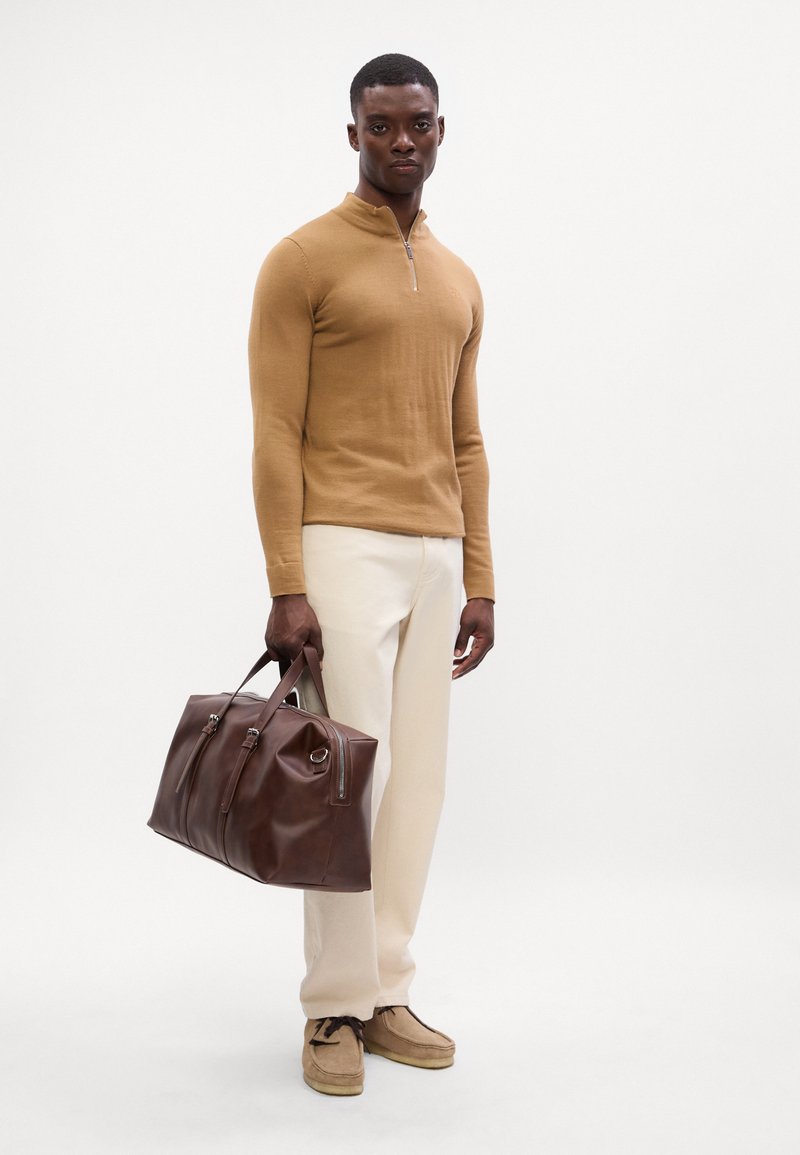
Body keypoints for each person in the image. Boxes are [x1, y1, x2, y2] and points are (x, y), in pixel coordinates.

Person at [247, 52, 495, 1097]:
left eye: (419, 123)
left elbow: (467, 439)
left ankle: (386, 987)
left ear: (441, 131)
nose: (403, 141)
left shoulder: (457, 277)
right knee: (347, 780)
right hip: (342, 543)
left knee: (418, 785)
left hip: (436, 553)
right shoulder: (302, 260)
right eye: (382, 124)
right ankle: (331, 1006)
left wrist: (479, 578)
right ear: (352, 133)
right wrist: (287, 580)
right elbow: (276, 430)